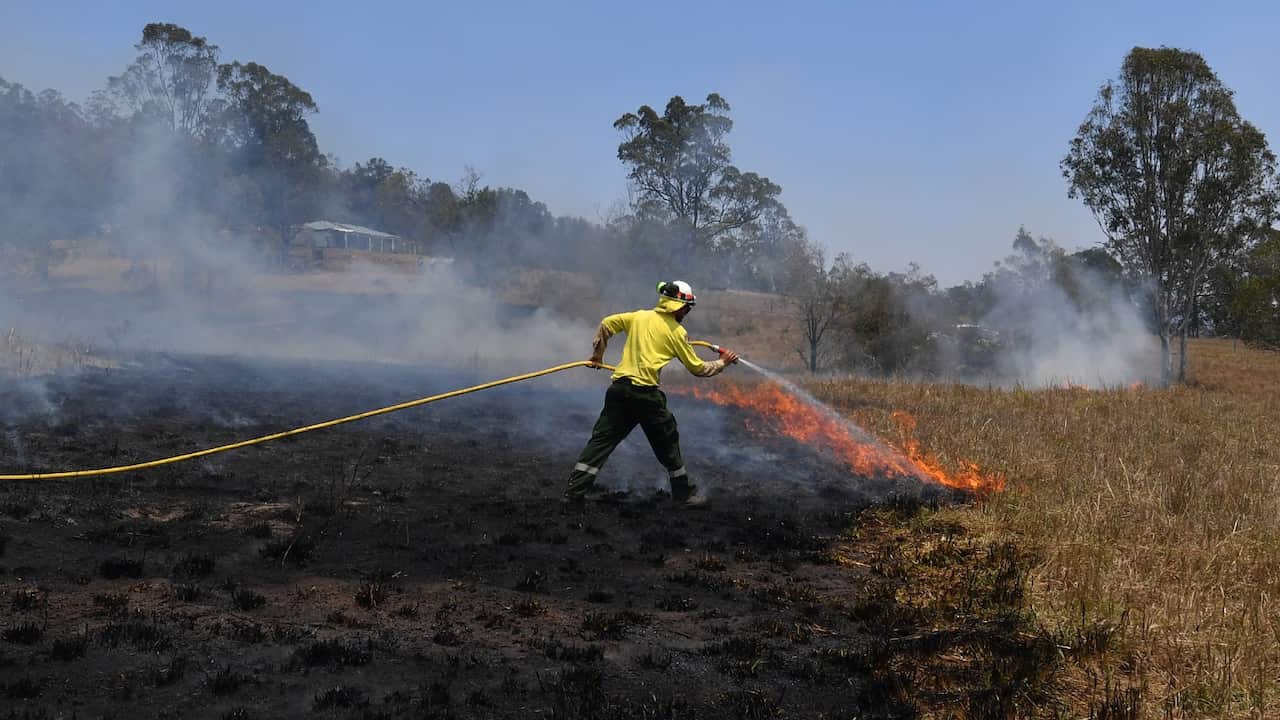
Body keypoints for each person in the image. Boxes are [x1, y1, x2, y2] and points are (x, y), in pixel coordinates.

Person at [565, 281, 739, 509]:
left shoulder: (639, 317)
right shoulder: (677, 332)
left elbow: (606, 324)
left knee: (601, 441)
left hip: (618, 391)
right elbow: (699, 369)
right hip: (645, 395)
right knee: (667, 438)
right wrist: (722, 362)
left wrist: (597, 356)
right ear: (678, 306)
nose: (687, 313)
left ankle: (574, 493)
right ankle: (683, 494)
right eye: (688, 308)